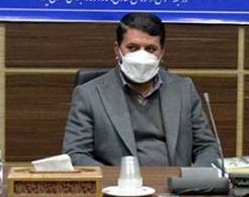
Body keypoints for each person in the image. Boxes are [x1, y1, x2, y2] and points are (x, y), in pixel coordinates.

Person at [62, 12, 220, 168]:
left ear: (162, 53)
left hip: (176, 182)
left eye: (150, 49)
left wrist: (193, 178)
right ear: (117, 50)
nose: (141, 57)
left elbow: (207, 147)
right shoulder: (89, 95)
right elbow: (75, 154)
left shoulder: (183, 90)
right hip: (118, 183)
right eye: (132, 48)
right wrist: (120, 178)